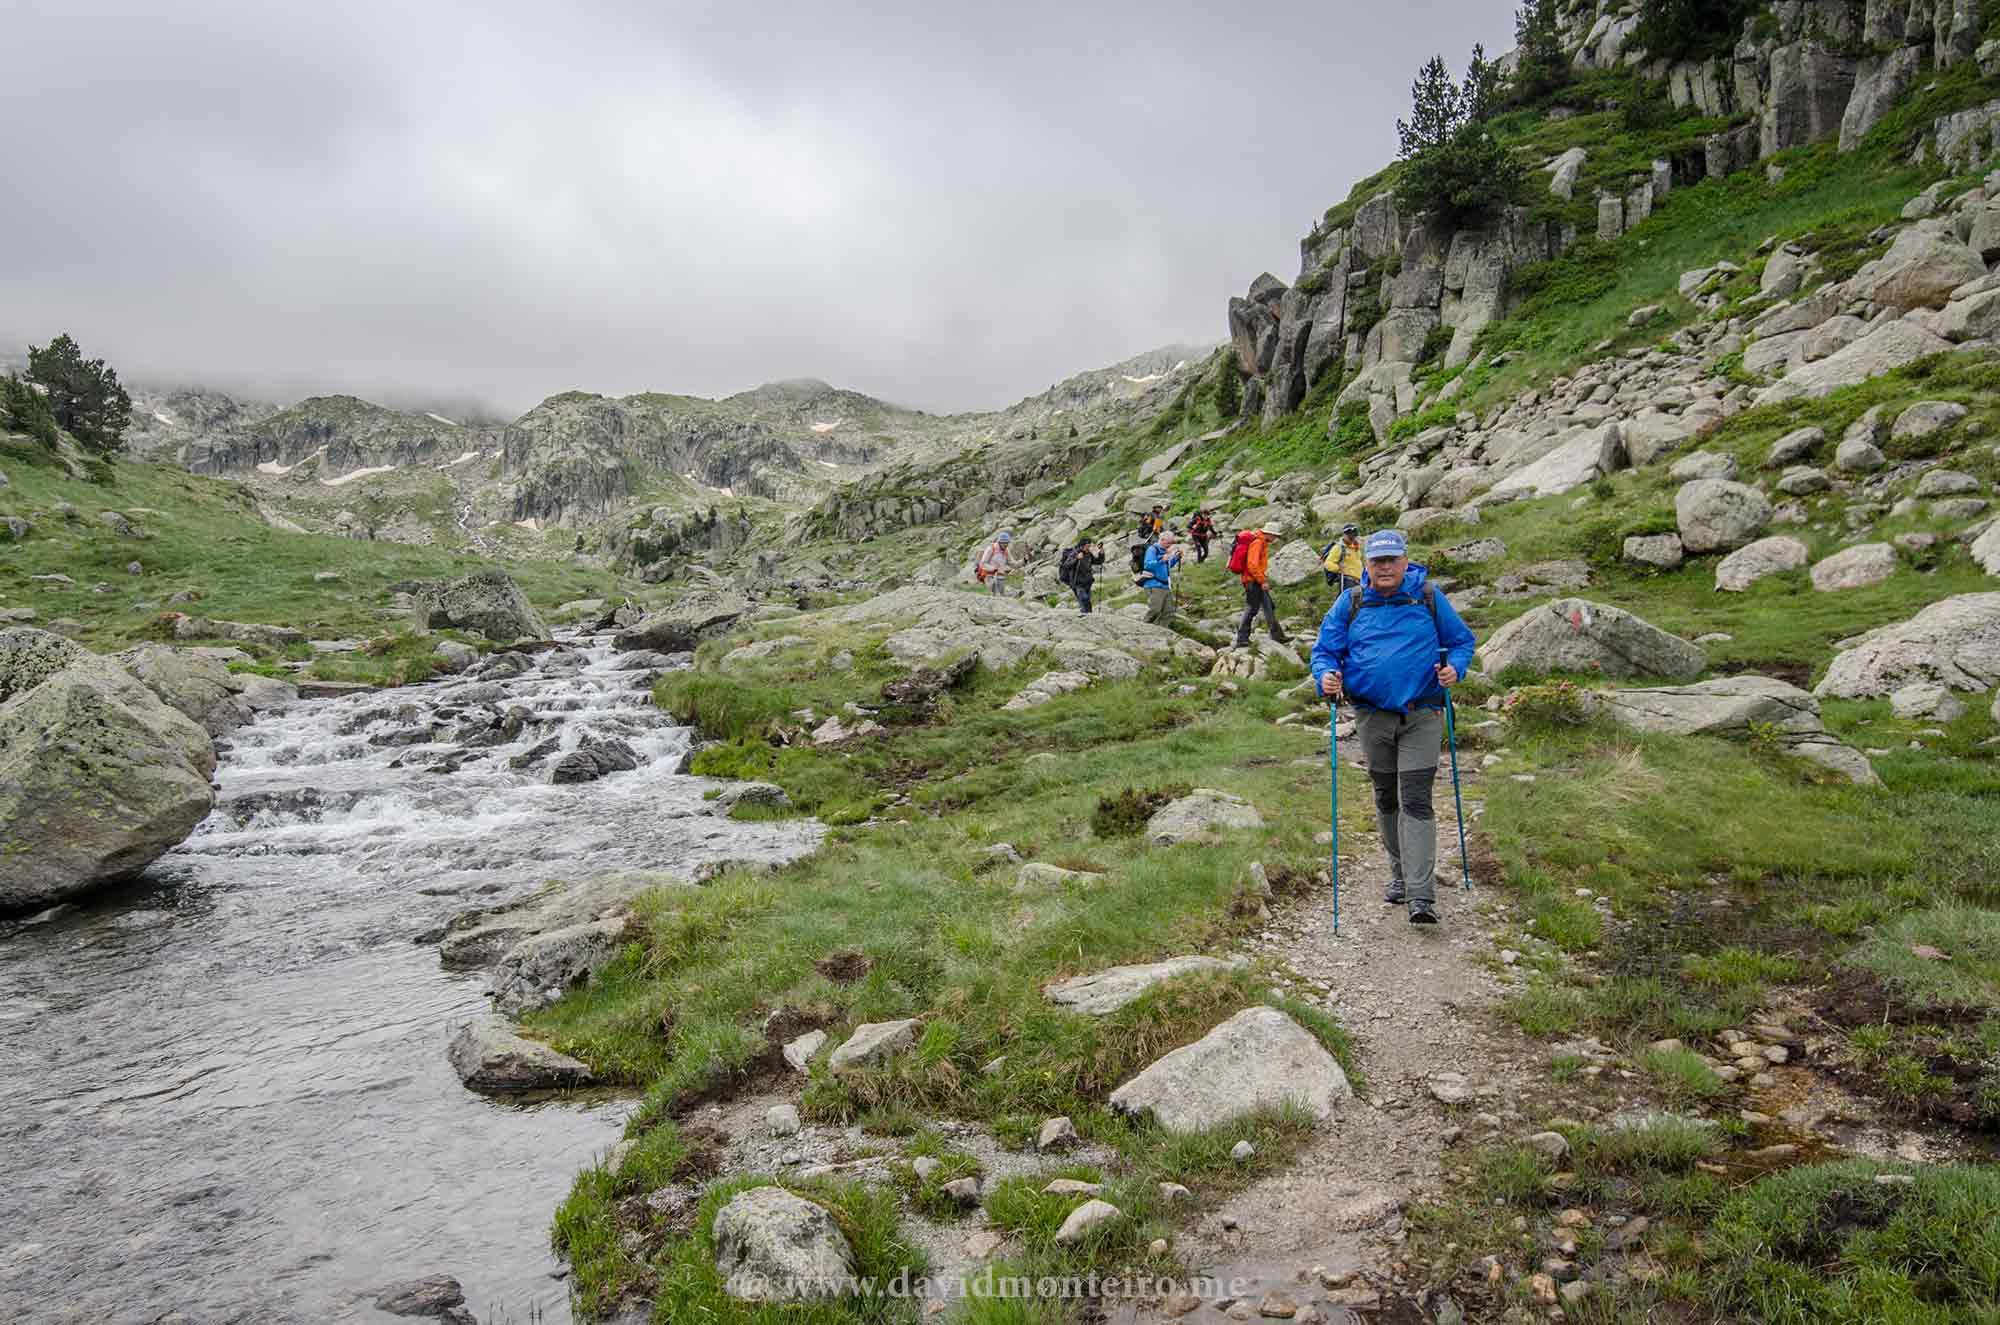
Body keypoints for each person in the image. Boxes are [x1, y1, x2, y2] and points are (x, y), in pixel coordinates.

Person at [1310, 530, 1477, 926]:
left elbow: (1461, 642)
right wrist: (1326, 677)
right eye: (1377, 561)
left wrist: (1457, 668)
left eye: (1392, 560)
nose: (1385, 567)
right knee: (1386, 798)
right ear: (1366, 565)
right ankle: (1400, 875)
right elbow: (1325, 651)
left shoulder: (1429, 597)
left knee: (1415, 798)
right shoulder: (1349, 603)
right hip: (1371, 717)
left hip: (1423, 714)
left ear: (1406, 562)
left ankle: (1421, 895)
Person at [1233, 525, 1291, 647]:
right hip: (1252, 581)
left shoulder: (1261, 542)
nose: (1275, 539)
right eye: (1275, 536)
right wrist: (1262, 581)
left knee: (1269, 606)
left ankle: (1278, 636)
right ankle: (1241, 639)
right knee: (1251, 609)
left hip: (1256, 580)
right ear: (1269, 534)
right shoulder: (1258, 542)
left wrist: (1262, 580)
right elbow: (1252, 565)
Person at [1140, 529, 1182, 626]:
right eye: (1168, 543)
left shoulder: (1165, 551)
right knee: (1155, 610)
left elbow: (1167, 565)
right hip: (1154, 585)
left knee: (1168, 612)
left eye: (1171, 543)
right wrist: (1161, 560)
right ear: (1162, 540)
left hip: (1165, 586)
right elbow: (1147, 565)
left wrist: (1176, 558)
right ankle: (1143, 628)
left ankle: (1161, 632)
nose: (1170, 545)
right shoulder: (1152, 549)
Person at [1066, 538, 1105, 614]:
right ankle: (1084, 616)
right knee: (1084, 599)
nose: (1089, 548)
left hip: (1088, 582)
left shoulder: (1088, 554)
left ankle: (1088, 617)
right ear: (1082, 546)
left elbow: (1098, 561)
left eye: (1089, 546)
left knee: (1087, 602)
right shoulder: (1075, 553)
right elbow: (1067, 565)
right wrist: (1077, 558)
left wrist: (1101, 552)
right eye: (1087, 546)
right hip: (1078, 583)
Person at [1323, 523, 1364, 592]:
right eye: (1350, 536)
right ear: (1344, 535)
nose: (1352, 538)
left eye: (1354, 536)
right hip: (1347, 581)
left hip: (1360, 581)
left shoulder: (1356, 549)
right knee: (1349, 601)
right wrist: (1339, 568)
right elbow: (1327, 563)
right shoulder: (1339, 547)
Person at [978, 530, 1016, 596]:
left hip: (1001, 577)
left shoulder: (1006, 550)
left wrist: (1024, 561)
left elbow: (1013, 564)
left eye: (1007, 543)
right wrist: (994, 569)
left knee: (1001, 596)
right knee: (993, 595)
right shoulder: (991, 548)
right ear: (1000, 542)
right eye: (1004, 543)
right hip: (989, 576)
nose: (1006, 545)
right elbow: (982, 563)